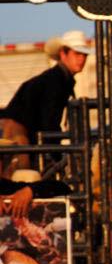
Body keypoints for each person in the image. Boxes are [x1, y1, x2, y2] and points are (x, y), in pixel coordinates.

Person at [0, 30, 91, 174]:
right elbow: (49, 120)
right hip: (17, 133)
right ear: (63, 54)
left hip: (21, 131)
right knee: (21, 178)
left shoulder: (58, 78)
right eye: (77, 54)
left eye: (84, 55)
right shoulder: (57, 80)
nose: (82, 59)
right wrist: (55, 154)